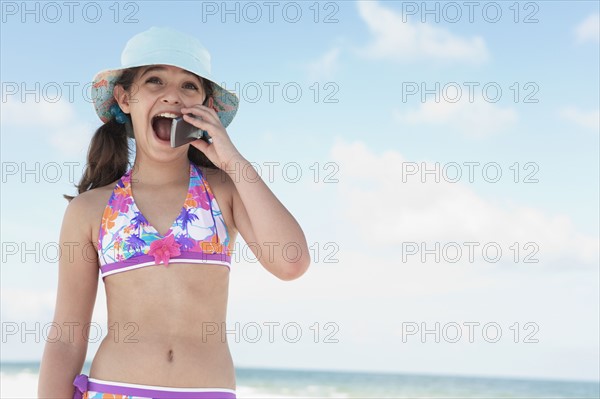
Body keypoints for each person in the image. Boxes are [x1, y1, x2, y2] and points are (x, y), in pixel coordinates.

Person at [38, 26, 310, 399]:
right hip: (115, 390)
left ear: (207, 107)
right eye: (154, 81)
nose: (173, 96)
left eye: (189, 86)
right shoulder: (90, 209)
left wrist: (231, 159)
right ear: (124, 98)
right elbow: (67, 337)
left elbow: (291, 262)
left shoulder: (224, 190)